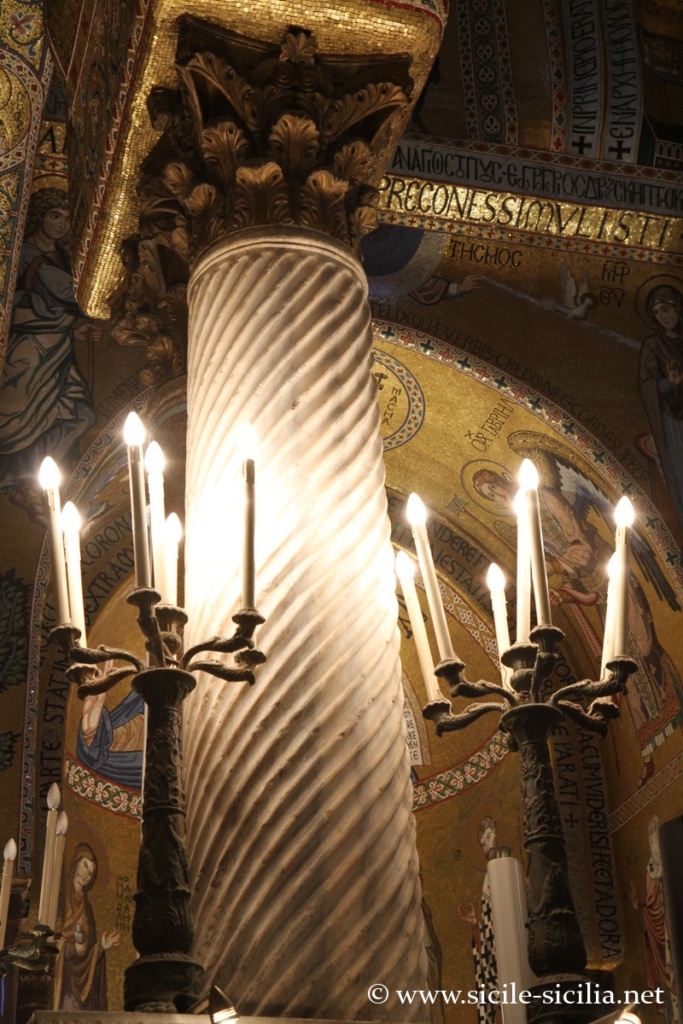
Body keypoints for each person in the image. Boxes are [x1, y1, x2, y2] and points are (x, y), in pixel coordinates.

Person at [0, 187, 97, 496]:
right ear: (38, 218)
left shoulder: (65, 257)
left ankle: (39, 473)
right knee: (19, 426)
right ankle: (24, 477)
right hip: (31, 352)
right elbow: (67, 294)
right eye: (54, 216)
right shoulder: (28, 254)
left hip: (58, 351)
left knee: (82, 414)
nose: (62, 224)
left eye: (68, 218)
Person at [638, 284, 683, 536]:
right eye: (656, 313)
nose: (662, 316)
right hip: (675, 424)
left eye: (666, 309)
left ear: (678, 308)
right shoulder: (653, 346)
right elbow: (647, 385)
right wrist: (669, 383)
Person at [52, 843, 120, 1010]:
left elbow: (87, 953)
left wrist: (101, 947)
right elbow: (47, 939)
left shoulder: (87, 908)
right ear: (76, 862)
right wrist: (72, 950)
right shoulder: (60, 898)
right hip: (64, 982)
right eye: (85, 866)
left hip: (83, 988)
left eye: (91, 872)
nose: (88, 874)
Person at [456, 817, 511, 1024]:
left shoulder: (507, 866)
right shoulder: (486, 884)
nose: (489, 842)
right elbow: (485, 951)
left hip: (510, 953)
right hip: (495, 961)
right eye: (484, 840)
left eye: (490, 835)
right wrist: (473, 923)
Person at [630, 816, 678, 1020]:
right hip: (669, 943)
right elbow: (651, 911)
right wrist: (637, 907)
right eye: (651, 838)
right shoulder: (651, 873)